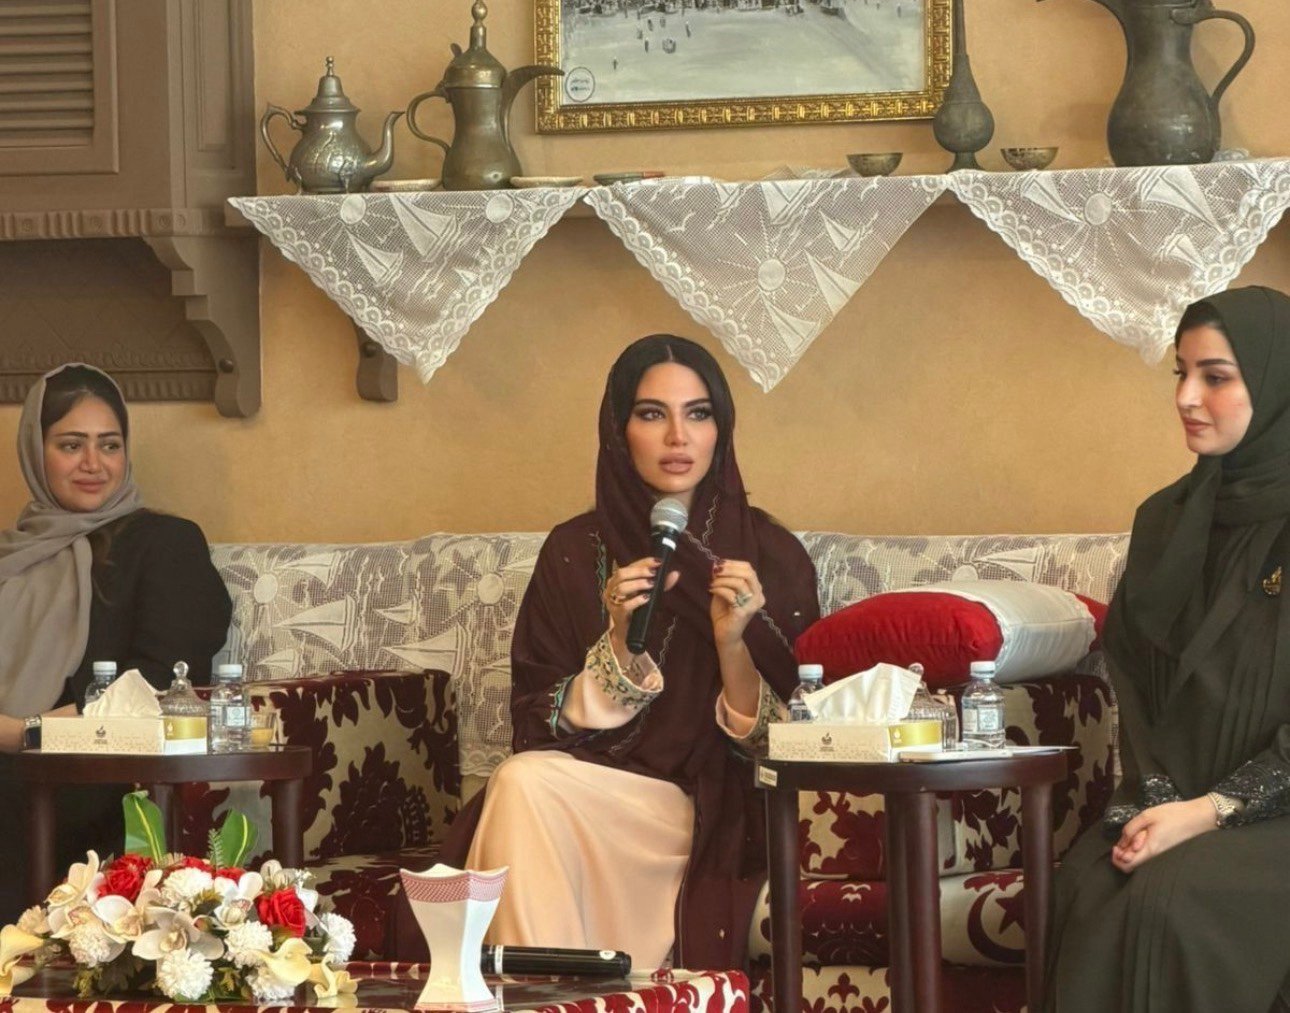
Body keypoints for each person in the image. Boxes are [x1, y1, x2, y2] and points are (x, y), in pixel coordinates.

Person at [438, 335, 819, 971]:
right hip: (590, 793)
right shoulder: (573, 550)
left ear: (721, 430)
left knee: (526, 785)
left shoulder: (771, 556)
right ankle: (556, 1001)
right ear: (620, 431)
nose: (677, 436)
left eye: (698, 414)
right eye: (651, 414)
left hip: (710, 811)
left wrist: (732, 642)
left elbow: (794, 744)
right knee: (523, 780)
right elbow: (536, 722)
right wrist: (617, 638)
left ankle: (548, 998)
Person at [1045, 287, 1290, 1012]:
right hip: (1173, 798)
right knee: (1088, 885)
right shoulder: (1164, 521)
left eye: (1215, 376)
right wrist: (1158, 801)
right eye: (1181, 373)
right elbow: (1136, 679)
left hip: (1274, 811)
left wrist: (1211, 810)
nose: (1186, 396)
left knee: (1176, 901)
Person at [0, 363, 232, 921]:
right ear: (35, 452)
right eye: (70, 445)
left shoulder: (166, 543)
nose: (93, 463)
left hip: (96, 775)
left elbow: (165, 680)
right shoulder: (10, 557)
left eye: (109, 444)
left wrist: (25, 732)